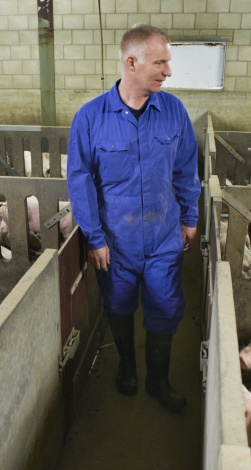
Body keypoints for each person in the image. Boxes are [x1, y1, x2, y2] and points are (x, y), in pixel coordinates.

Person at [66, 25, 201, 413]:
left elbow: (186, 169)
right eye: (160, 63)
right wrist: (93, 237)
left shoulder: (173, 111)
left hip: (163, 236)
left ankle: (159, 380)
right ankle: (127, 366)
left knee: (164, 307)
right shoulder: (90, 118)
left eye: (167, 63)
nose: (168, 71)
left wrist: (190, 216)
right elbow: (81, 182)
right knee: (119, 306)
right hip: (116, 241)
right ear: (132, 62)